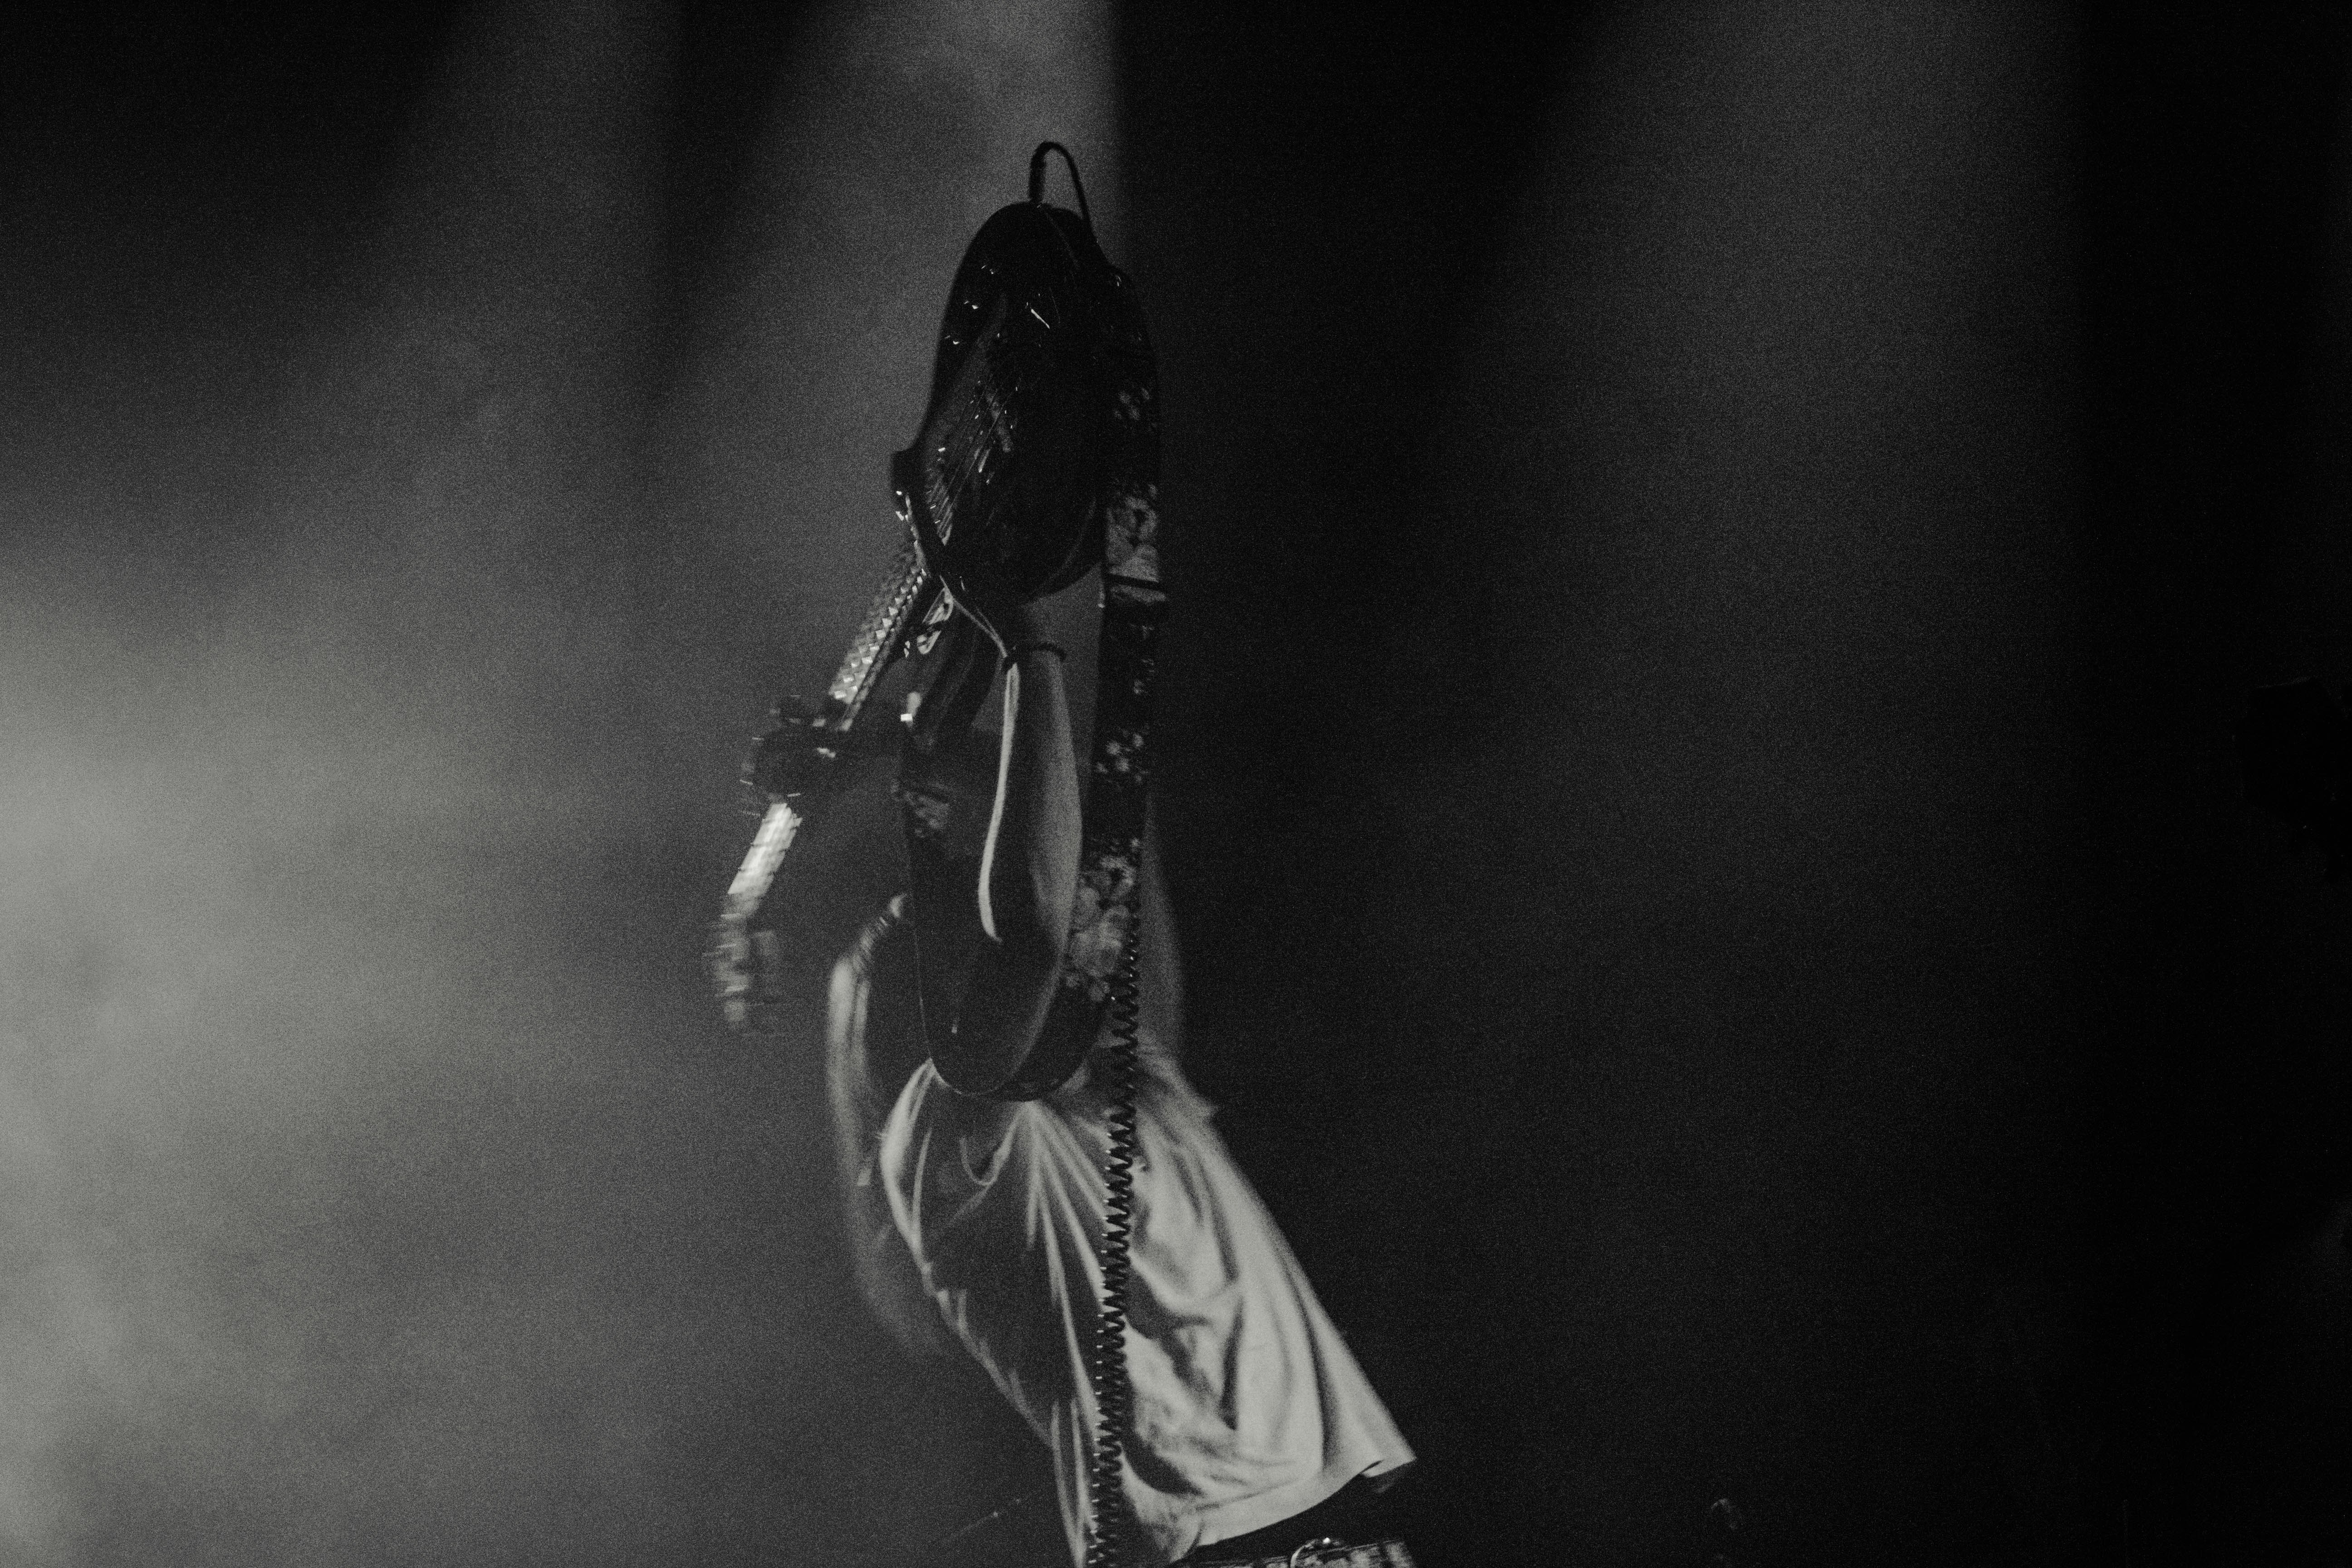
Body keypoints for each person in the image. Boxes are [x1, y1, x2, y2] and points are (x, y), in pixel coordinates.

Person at [810, 582, 1416, 1568]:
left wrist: (897, 747)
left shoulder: (1131, 1085)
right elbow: (1041, 925)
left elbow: (1101, 830)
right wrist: (1026, 644)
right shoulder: (941, 1151)